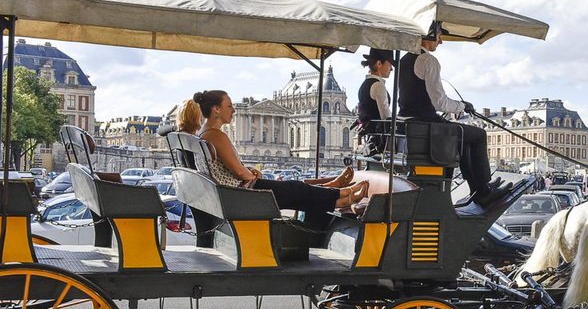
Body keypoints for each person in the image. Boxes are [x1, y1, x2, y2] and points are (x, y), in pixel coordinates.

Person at [192, 90, 367, 230]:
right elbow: (239, 172)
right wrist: (251, 174)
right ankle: (341, 193)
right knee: (296, 188)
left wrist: (249, 172)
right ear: (216, 109)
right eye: (229, 106)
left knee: (298, 193)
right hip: (243, 196)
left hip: (234, 195)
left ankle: (339, 197)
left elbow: (233, 169)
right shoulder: (216, 136)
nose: (233, 110)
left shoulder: (206, 134)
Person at [398, 22, 508, 207]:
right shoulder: (429, 61)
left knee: (462, 137)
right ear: (430, 34)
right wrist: (462, 106)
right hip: (427, 125)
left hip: (412, 123)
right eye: (440, 35)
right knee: (479, 135)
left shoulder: (404, 60)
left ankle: (479, 188)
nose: (441, 41)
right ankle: (483, 189)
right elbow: (439, 102)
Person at [356, 47, 394, 154]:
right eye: (389, 64)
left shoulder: (364, 85)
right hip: (380, 141)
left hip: (370, 136)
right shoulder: (378, 86)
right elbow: (386, 117)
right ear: (379, 64)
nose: (391, 68)